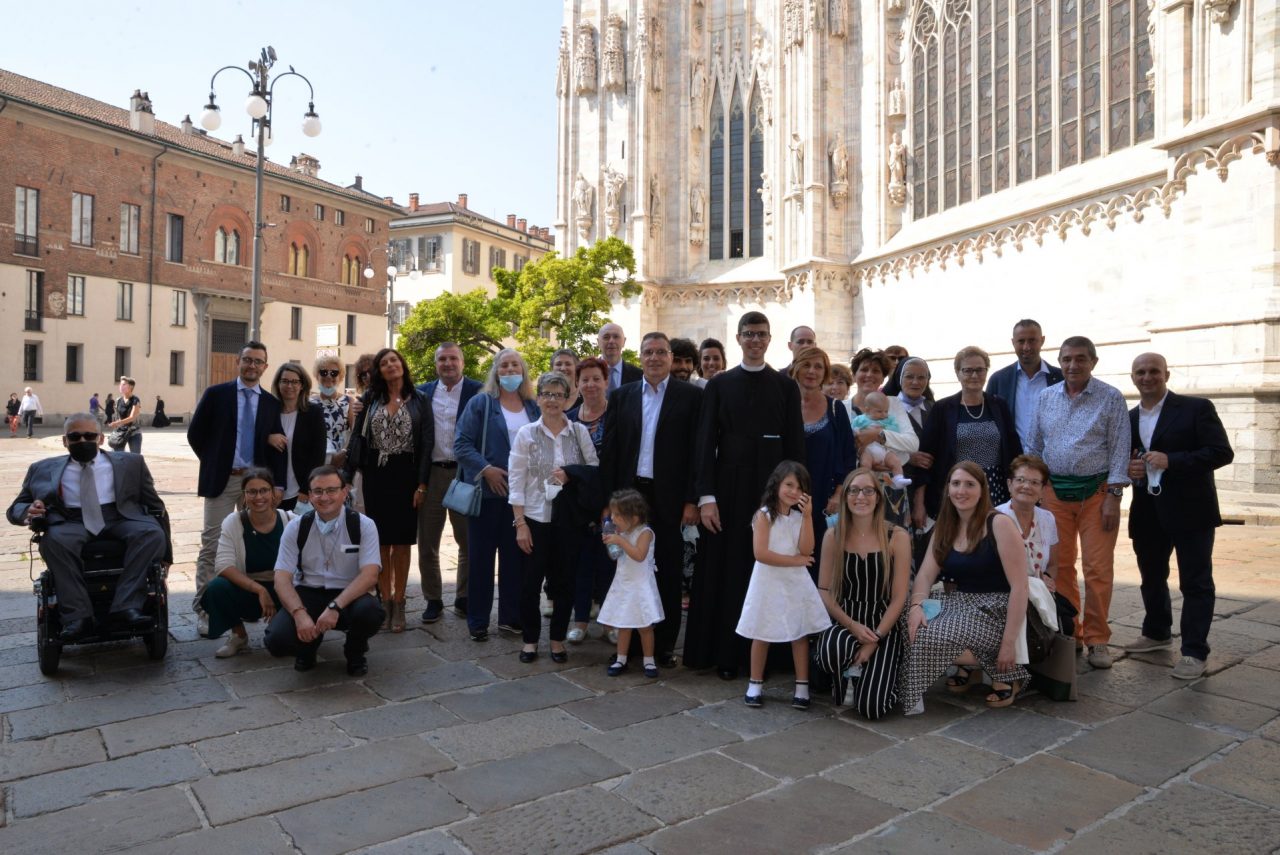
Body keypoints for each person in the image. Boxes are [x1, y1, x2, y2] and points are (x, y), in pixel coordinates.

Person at [687, 312, 806, 679]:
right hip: (729, 489)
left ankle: (774, 657)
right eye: (749, 334)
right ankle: (728, 654)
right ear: (738, 339)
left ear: (770, 340)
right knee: (729, 571)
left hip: (773, 490)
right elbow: (706, 443)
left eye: (761, 335)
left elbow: (796, 444)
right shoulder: (720, 385)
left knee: (771, 569)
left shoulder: (786, 387)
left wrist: (795, 496)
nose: (755, 340)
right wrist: (706, 497)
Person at [1122, 353, 1234, 680]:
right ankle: (1156, 633)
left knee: (1195, 582)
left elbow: (1221, 452)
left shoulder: (1196, 408)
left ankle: (1194, 651)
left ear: (1166, 374)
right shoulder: (1128, 418)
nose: (1147, 377)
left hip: (1191, 510)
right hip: (1147, 511)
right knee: (1151, 576)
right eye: (1140, 371)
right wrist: (1131, 469)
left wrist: (1173, 459)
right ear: (1133, 377)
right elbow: (1126, 460)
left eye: (1153, 371)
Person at [7, 413, 167, 641]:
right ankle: (77, 616)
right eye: (75, 436)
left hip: (120, 516)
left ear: (101, 438)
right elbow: (16, 507)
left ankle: (127, 605)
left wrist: (166, 554)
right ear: (65, 441)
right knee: (53, 542)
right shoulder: (41, 469)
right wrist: (28, 511)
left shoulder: (131, 463)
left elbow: (154, 505)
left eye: (89, 435)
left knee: (151, 533)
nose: (82, 441)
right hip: (70, 519)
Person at [1026, 336, 1130, 669]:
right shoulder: (1046, 397)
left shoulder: (1110, 398)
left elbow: (1119, 449)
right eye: (1067, 359)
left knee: (1098, 568)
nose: (1073, 365)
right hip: (1054, 494)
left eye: (1081, 359)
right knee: (1060, 567)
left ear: (1093, 362)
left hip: (1097, 495)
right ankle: (1072, 632)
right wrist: (1036, 489)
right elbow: (1033, 445)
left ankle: (1099, 639)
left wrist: (1114, 496)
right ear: (1059, 361)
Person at [600, 332, 702, 667]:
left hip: (670, 496)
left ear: (671, 358)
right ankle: (627, 648)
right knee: (630, 570)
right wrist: (611, 501)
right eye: (648, 352)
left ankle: (663, 647)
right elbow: (612, 452)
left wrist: (691, 500)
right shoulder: (623, 396)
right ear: (640, 356)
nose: (654, 358)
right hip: (631, 497)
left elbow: (696, 454)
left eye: (661, 352)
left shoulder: (689, 397)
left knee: (667, 571)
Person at [902, 462, 1030, 713]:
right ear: (948, 489)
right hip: (959, 602)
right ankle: (978, 667)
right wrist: (917, 606)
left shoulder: (999, 524)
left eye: (970, 484)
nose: (962, 490)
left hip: (995, 608)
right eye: (956, 483)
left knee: (930, 635)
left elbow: (1020, 587)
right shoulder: (945, 526)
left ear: (982, 490)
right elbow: (926, 575)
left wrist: (1009, 643)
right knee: (906, 621)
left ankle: (1004, 668)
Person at [188, 342, 287, 635]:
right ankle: (204, 609)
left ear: (265, 367)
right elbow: (196, 434)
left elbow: (276, 442)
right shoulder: (216, 394)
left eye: (258, 362)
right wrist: (214, 461)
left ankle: (247, 603)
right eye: (247, 360)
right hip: (222, 479)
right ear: (238, 361)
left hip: (254, 484)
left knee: (251, 543)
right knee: (212, 542)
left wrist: (274, 483)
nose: (252, 366)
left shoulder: (270, 403)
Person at [509, 370, 598, 664]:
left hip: (568, 521)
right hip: (534, 519)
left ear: (569, 397)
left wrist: (570, 475)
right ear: (539, 397)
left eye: (559, 395)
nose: (552, 400)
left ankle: (557, 639)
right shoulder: (526, 433)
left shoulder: (579, 432)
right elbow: (516, 480)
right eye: (547, 394)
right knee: (528, 583)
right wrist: (520, 523)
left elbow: (594, 470)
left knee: (564, 583)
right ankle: (531, 641)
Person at [454, 348, 540, 642]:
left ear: (523, 371)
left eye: (515, 365)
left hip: (520, 497)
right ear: (495, 371)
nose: (510, 370)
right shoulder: (481, 403)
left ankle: (510, 618)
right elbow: (462, 444)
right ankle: (478, 620)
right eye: (504, 366)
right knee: (481, 560)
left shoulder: (532, 406)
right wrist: (486, 469)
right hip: (487, 495)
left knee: (515, 561)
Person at [265, 466, 383, 675]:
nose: (325, 497)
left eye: (331, 490)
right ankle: (307, 647)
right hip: (309, 592)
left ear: (344, 492)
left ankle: (355, 651)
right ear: (310, 496)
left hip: (349, 595)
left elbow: (370, 575)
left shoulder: (364, 525)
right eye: (318, 491)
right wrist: (299, 614)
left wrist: (335, 607)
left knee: (370, 612)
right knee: (277, 640)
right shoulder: (296, 527)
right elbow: (281, 579)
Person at [344, 348, 431, 633]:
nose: (390, 365)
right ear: (378, 371)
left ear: (403, 365)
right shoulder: (370, 399)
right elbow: (357, 438)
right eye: (384, 363)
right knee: (380, 541)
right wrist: (346, 476)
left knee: (403, 542)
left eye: (394, 360)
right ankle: (384, 601)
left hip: (407, 475)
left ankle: (400, 601)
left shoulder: (420, 399)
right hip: (376, 476)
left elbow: (427, 444)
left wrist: (422, 484)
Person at [814, 468, 910, 718]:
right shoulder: (833, 536)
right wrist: (852, 625)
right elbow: (823, 590)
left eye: (868, 491)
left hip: (883, 624)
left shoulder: (897, 537)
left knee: (872, 709)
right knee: (830, 653)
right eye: (854, 490)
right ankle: (847, 674)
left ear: (878, 497)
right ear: (845, 497)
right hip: (846, 619)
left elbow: (900, 597)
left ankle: (880, 674)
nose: (861, 497)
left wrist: (875, 638)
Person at [735, 461, 830, 709]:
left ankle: (802, 686)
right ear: (777, 483)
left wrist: (808, 515)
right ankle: (754, 683)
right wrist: (795, 560)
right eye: (789, 485)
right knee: (762, 632)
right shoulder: (764, 515)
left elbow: (807, 549)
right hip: (768, 580)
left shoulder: (799, 517)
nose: (793, 491)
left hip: (793, 582)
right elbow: (761, 553)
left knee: (798, 633)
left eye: (800, 488)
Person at [918, 346, 1021, 530]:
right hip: (958, 490)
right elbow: (926, 458)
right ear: (958, 373)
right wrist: (920, 502)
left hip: (995, 489)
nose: (974, 375)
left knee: (993, 540)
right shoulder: (942, 409)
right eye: (968, 370)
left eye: (980, 370)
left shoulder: (999, 406)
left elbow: (1014, 449)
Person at [415, 343, 482, 623]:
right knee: (427, 542)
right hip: (431, 475)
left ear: (463, 362)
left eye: (453, 358)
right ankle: (433, 599)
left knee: (467, 541)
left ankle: (464, 596)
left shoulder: (478, 392)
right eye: (442, 359)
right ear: (436, 364)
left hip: (464, 474)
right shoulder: (422, 393)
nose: (448, 363)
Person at [201, 468, 294, 657]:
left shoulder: (290, 520)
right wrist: (260, 590)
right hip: (251, 591)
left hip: (285, 590)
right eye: (252, 491)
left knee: (282, 644)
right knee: (216, 588)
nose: (258, 496)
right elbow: (223, 566)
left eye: (264, 490)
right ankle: (238, 635)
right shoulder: (234, 522)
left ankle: (291, 625)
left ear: (273, 493)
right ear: (244, 496)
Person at [789, 346, 856, 554]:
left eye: (818, 366)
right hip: (787, 498)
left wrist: (838, 494)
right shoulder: (782, 405)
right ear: (796, 368)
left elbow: (848, 456)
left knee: (819, 559)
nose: (812, 371)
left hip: (824, 500)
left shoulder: (836, 409)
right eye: (806, 365)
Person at [566, 357, 612, 643]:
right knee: (579, 564)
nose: (591, 384)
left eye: (596, 378)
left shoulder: (618, 415)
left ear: (606, 382)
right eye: (585, 379)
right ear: (577, 384)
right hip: (577, 506)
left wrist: (612, 505)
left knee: (609, 565)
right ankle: (580, 620)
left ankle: (609, 622)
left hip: (611, 502)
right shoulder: (569, 419)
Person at [600, 489, 664, 677]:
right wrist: (611, 543)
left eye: (618, 515)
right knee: (624, 623)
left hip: (641, 585)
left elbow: (639, 555)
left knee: (645, 626)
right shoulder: (621, 531)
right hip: (624, 583)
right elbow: (615, 556)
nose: (613, 518)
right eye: (613, 514)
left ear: (634, 518)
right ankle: (621, 658)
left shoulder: (645, 532)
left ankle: (649, 660)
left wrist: (619, 540)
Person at [986, 319, 1064, 447]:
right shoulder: (998, 380)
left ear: (1042, 340)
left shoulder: (1061, 378)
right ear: (1013, 342)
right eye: (1021, 341)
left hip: (1052, 460)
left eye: (1032, 340)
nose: (1026, 347)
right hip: (1014, 462)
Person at [995, 455, 1059, 588]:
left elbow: (1053, 565)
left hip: (1038, 594)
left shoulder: (1048, 519)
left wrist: (1047, 578)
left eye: (1035, 482)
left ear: (1042, 490)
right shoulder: (993, 517)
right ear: (1009, 484)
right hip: (1000, 591)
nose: (1026, 486)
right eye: (1020, 480)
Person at [272, 363, 326, 513]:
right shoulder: (269, 411)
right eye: (285, 381)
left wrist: (306, 488)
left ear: (302, 385)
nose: (290, 386)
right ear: (278, 384)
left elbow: (318, 455)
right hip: (273, 491)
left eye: (295, 382)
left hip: (301, 492)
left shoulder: (313, 412)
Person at [851, 392, 912, 487]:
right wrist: (857, 431)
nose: (884, 414)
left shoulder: (889, 419)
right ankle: (866, 480)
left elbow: (896, 430)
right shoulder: (860, 419)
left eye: (886, 411)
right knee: (865, 463)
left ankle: (899, 478)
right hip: (868, 450)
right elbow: (852, 430)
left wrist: (883, 429)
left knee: (895, 461)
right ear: (868, 410)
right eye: (879, 411)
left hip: (885, 449)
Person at [312, 354, 357, 468]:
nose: (328, 376)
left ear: (341, 377)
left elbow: (354, 432)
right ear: (317, 376)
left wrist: (343, 452)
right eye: (323, 372)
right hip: (315, 461)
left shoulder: (349, 402)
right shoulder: (308, 402)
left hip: (340, 461)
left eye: (334, 373)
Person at [598, 322, 642, 393]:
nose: (611, 341)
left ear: (624, 341)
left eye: (616, 337)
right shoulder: (586, 373)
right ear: (598, 342)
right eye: (606, 337)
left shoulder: (639, 376)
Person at [108, 376, 143, 454]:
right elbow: (118, 417)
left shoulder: (135, 400)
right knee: (117, 456)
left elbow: (132, 417)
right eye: (120, 384)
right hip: (121, 433)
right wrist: (114, 424)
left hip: (134, 432)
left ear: (131, 387)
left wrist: (117, 423)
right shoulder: (118, 400)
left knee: (135, 457)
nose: (121, 386)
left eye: (124, 384)